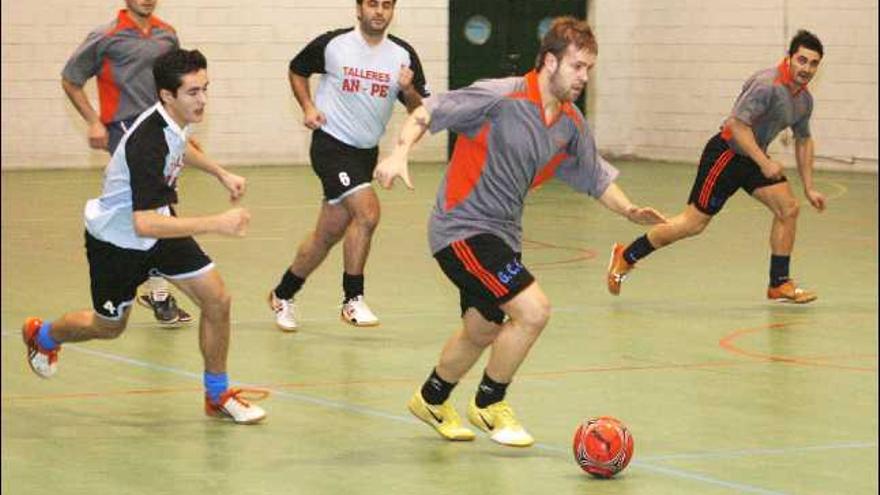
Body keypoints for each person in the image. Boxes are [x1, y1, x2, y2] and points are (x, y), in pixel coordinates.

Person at [373, 17, 666, 446]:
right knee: (533, 310)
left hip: (503, 237)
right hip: (462, 229)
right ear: (550, 62)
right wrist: (399, 153)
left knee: (483, 327)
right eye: (578, 66)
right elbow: (427, 111)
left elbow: (596, 176)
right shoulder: (500, 96)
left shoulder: (570, 124)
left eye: (590, 69)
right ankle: (490, 404)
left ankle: (432, 398)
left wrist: (628, 210)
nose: (585, 77)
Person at [23, 49, 267, 424]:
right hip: (117, 244)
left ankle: (217, 395)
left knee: (217, 300)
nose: (202, 100)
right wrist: (217, 222)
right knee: (108, 328)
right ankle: (43, 336)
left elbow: (181, 147)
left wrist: (220, 172)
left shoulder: (173, 121)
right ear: (167, 95)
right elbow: (143, 225)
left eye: (205, 89)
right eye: (192, 93)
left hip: (160, 229)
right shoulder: (146, 142)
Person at [606, 30, 826, 304]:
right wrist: (764, 162)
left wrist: (809, 187)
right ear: (789, 58)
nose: (806, 68)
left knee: (788, 209)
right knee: (692, 224)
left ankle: (779, 284)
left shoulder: (804, 101)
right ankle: (627, 255)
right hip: (726, 154)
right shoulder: (766, 85)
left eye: (813, 63)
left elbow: (803, 140)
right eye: (802, 60)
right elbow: (736, 126)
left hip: (753, 156)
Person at [267, 0, 429, 331]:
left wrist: (408, 88)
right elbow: (297, 69)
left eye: (386, 5)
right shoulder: (334, 45)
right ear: (359, 8)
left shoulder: (402, 55)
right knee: (368, 213)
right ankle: (352, 299)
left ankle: (283, 293)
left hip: (364, 153)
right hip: (330, 145)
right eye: (372, 4)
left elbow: (419, 108)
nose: (379, 11)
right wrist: (308, 106)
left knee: (327, 235)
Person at [62, 0, 193, 326]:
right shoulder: (105, 36)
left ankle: (150, 286)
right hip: (124, 131)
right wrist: (93, 120)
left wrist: (181, 132)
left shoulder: (167, 35)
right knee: (157, 205)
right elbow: (71, 79)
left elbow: (173, 87)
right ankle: (160, 295)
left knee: (145, 208)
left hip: (160, 132)